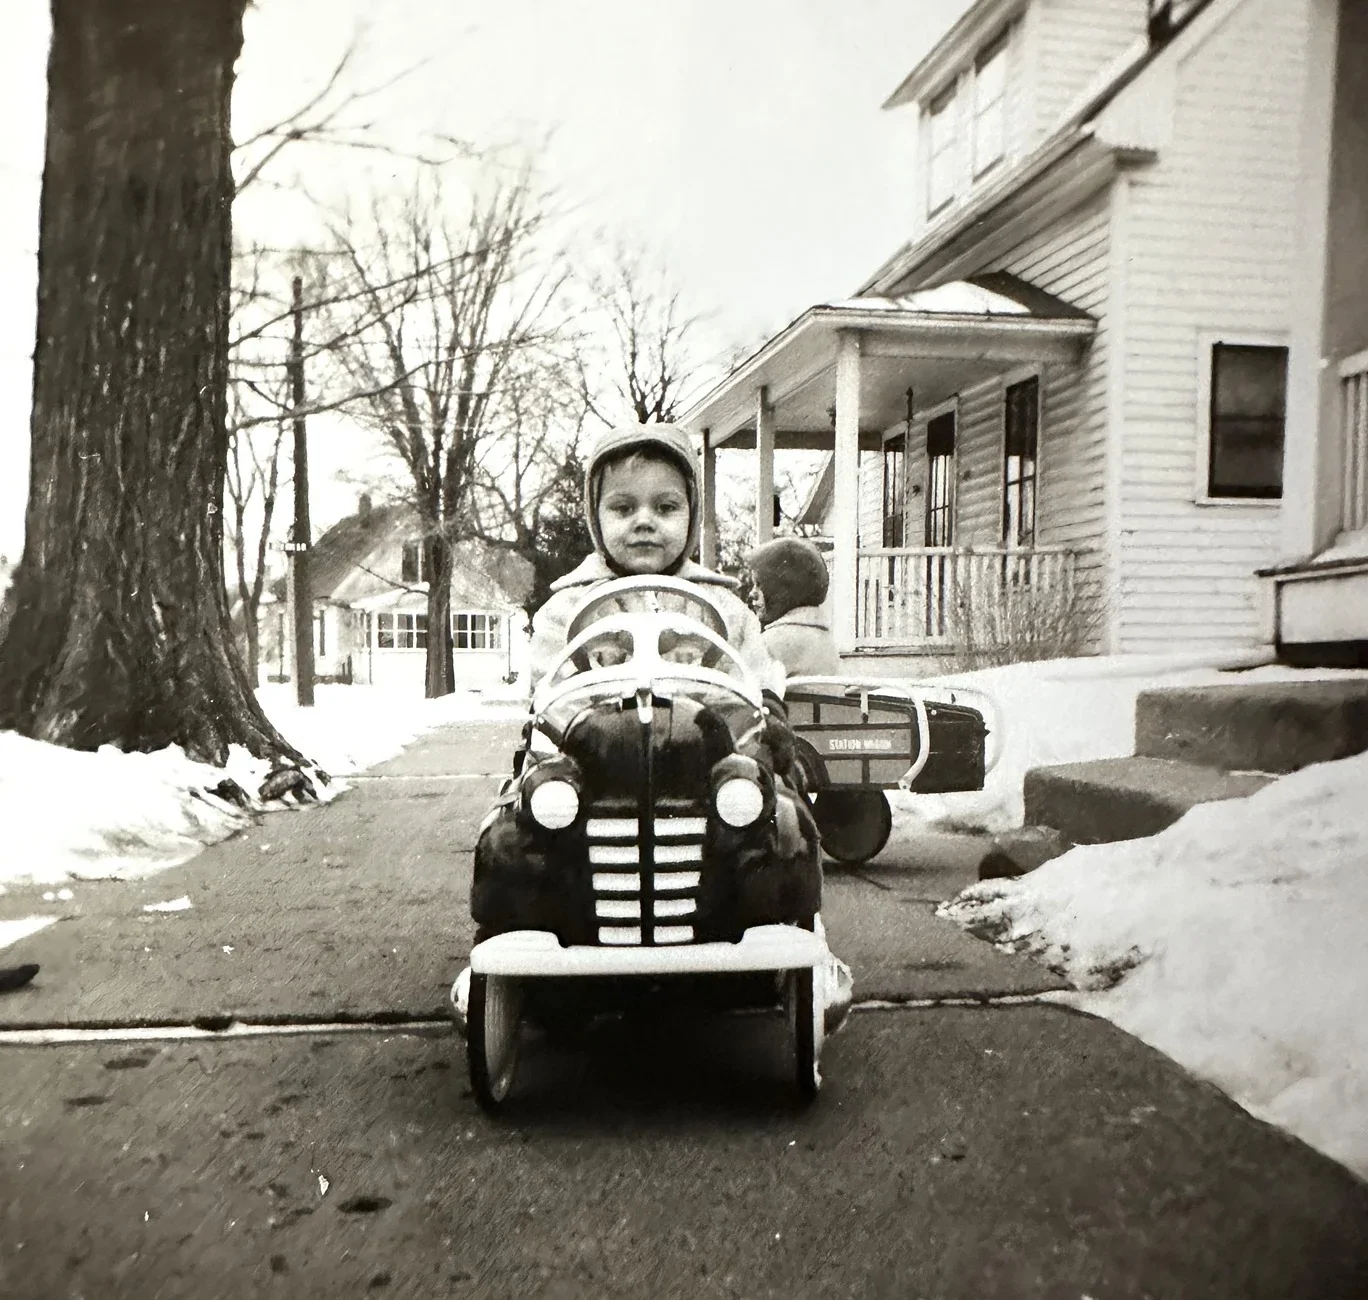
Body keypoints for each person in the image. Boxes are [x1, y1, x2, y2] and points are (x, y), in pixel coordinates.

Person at [529, 422, 778, 692]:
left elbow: (754, 681)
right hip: (597, 732)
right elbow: (548, 688)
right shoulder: (567, 609)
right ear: (596, 516)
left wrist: (764, 704)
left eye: (666, 507)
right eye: (623, 508)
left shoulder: (724, 609)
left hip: (701, 732)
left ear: (692, 513)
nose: (644, 521)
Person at [746, 536, 841, 678]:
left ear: (783, 589)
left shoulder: (774, 641)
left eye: (760, 585)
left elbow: (742, 691)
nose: (752, 593)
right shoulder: (825, 638)